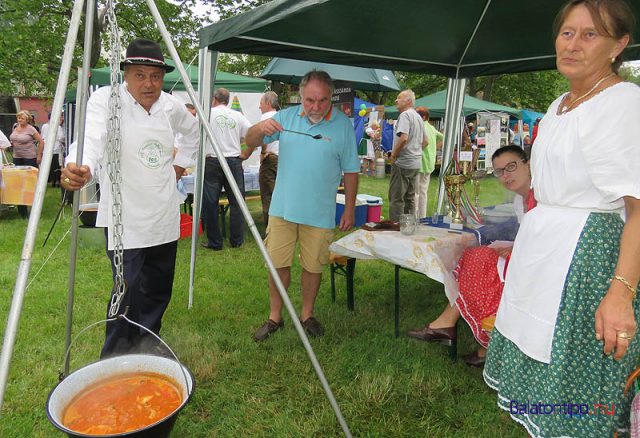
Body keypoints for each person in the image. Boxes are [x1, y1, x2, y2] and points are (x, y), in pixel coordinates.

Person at [483, 1, 640, 436]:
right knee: (542, 382)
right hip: (545, 252)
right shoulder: (558, 105)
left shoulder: (624, 103)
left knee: (581, 394)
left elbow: (639, 207)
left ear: (618, 45)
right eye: (567, 32)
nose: (572, 44)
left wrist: (620, 294)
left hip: (587, 258)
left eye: (590, 34)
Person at [60, 38, 199, 358]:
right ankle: (115, 355)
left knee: (159, 285)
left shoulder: (169, 105)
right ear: (126, 74)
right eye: (140, 75)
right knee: (127, 289)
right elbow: (92, 137)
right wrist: (80, 166)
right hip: (125, 216)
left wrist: (179, 166)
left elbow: (193, 132)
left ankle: (148, 342)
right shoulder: (106, 99)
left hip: (163, 211)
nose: (149, 84)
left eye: (155, 76)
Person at [246, 70, 360, 341]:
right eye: (310, 100)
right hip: (283, 209)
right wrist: (260, 128)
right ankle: (275, 317)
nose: (316, 107)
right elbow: (249, 142)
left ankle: (307, 314)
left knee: (313, 266)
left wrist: (350, 208)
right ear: (300, 96)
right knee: (278, 265)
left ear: (330, 97)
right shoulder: (285, 117)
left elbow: (352, 171)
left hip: (319, 212)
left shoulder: (343, 124)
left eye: (322, 100)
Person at [408, 146, 534, 367]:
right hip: (525, 257)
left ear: (528, 164)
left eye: (511, 167)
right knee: (474, 257)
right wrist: (514, 247)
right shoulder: (518, 201)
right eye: (499, 171)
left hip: (540, 265)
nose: (505, 176)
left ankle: (478, 339)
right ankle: (455, 328)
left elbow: (544, 241)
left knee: (478, 262)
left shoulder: (542, 196)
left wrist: (517, 250)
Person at [200, 87, 252, 251]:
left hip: (213, 160)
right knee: (237, 201)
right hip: (233, 160)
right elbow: (252, 134)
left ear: (214, 99)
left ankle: (215, 242)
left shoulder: (207, 114)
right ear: (227, 101)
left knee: (210, 202)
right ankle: (236, 240)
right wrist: (246, 153)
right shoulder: (238, 116)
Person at [242, 91, 280, 228]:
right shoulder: (282, 116)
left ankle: (271, 230)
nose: (259, 106)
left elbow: (261, 136)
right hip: (284, 159)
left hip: (270, 159)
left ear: (268, 104)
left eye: (261, 103)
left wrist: (263, 152)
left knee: (268, 196)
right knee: (281, 195)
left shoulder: (266, 117)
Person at [388, 90, 427, 221]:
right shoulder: (418, 117)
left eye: (399, 98)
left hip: (403, 163)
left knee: (397, 198)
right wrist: (415, 150)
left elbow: (403, 138)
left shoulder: (405, 115)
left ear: (409, 101)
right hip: (415, 163)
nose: (396, 101)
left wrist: (394, 155)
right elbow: (426, 142)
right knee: (410, 198)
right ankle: (410, 225)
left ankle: (396, 228)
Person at [10, 110, 44, 217]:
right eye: (19, 118)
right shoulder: (15, 127)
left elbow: (41, 142)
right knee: (18, 184)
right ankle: (22, 211)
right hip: (17, 158)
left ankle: (35, 209)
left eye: (22, 118)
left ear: (27, 119)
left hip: (29, 158)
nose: (20, 120)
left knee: (30, 184)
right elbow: (13, 140)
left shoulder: (31, 129)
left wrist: (39, 156)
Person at [414, 106, 443, 218]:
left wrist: (416, 150)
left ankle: (415, 217)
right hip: (429, 163)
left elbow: (425, 142)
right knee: (423, 192)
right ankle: (422, 217)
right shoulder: (431, 128)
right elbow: (442, 137)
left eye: (417, 115)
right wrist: (435, 147)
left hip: (420, 162)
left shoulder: (419, 126)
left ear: (423, 116)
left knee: (415, 193)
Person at [41, 112, 66, 187]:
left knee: (50, 165)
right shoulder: (58, 127)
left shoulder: (44, 126)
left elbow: (43, 136)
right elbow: (61, 137)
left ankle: (53, 180)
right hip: (56, 148)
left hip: (47, 148)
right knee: (57, 165)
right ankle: (57, 180)